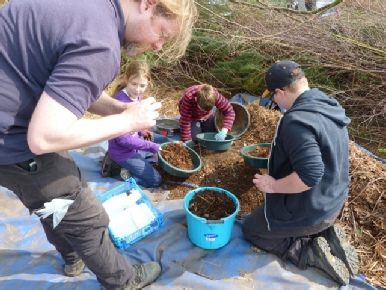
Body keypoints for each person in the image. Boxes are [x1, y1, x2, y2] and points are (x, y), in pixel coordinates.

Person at [0, 0, 197, 289]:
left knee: (50, 202)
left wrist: (120, 111)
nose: (158, 46)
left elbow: (65, 84)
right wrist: (129, 122)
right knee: (86, 217)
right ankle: (123, 281)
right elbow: (44, 137)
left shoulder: (88, 9)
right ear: (148, 4)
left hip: (15, 126)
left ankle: (72, 256)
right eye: (163, 34)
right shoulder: (101, 43)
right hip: (14, 139)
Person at [242, 60, 359, 286]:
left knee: (251, 229)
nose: (274, 102)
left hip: (315, 210)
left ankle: (307, 251)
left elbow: (309, 175)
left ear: (280, 91)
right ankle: (326, 234)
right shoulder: (327, 104)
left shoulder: (296, 122)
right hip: (334, 200)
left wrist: (273, 186)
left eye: (273, 96)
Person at [107, 60, 163, 187]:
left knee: (161, 145)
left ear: (148, 83)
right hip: (123, 152)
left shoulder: (136, 96)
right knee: (156, 180)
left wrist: (142, 130)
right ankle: (121, 171)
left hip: (134, 144)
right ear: (126, 79)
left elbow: (135, 121)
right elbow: (123, 140)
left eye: (142, 85)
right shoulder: (121, 102)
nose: (138, 89)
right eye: (134, 84)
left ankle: (137, 164)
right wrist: (150, 146)